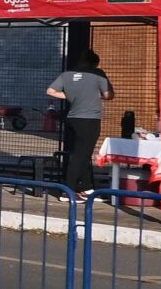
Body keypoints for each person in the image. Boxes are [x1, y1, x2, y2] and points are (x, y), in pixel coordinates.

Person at [46, 50, 114, 195]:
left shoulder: (66, 75)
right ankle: (67, 191)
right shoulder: (97, 73)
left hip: (73, 118)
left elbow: (50, 91)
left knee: (83, 153)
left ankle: (87, 187)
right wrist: (96, 95)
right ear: (94, 63)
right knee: (80, 155)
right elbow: (108, 95)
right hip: (89, 119)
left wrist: (69, 95)